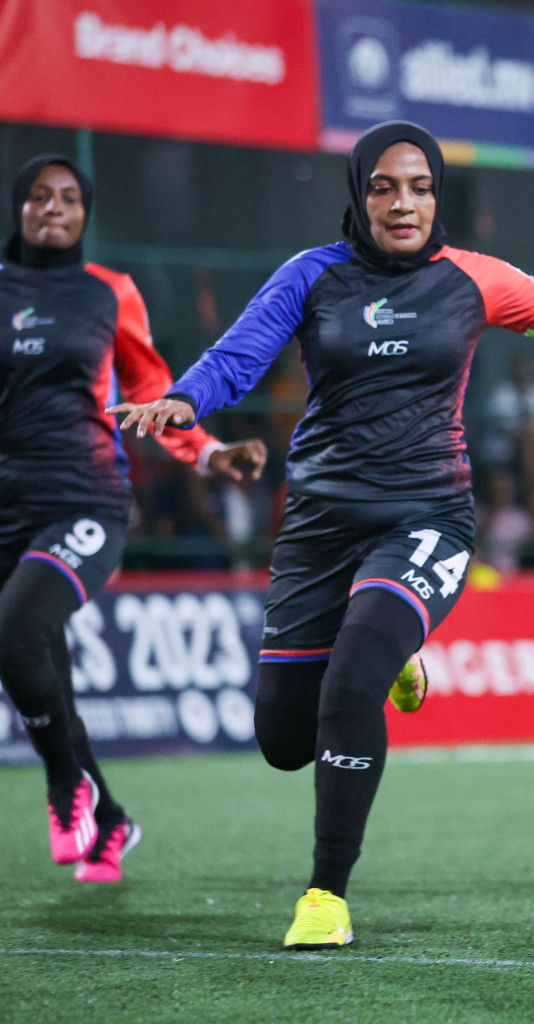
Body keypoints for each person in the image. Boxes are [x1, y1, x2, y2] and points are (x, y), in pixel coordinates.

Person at [112, 121, 534, 948]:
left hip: (426, 516)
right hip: (317, 524)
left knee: (351, 686)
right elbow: (237, 359)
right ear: (359, 194)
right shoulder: (310, 277)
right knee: (281, 741)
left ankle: (325, 896)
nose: (403, 202)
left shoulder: (474, 281)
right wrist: (185, 401)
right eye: (384, 186)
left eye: (419, 186)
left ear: (437, 195)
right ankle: (395, 651)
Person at [0, 154, 264, 883]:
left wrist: (209, 455)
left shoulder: (110, 292)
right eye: (39, 197)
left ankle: (67, 789)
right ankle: (110, 821)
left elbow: (151, 392)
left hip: (85, 501)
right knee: (41, 672)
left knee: (17, 633)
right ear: (18, 207)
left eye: (69, 198)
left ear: (85, 214)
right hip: (5, 509)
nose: (53, 207)